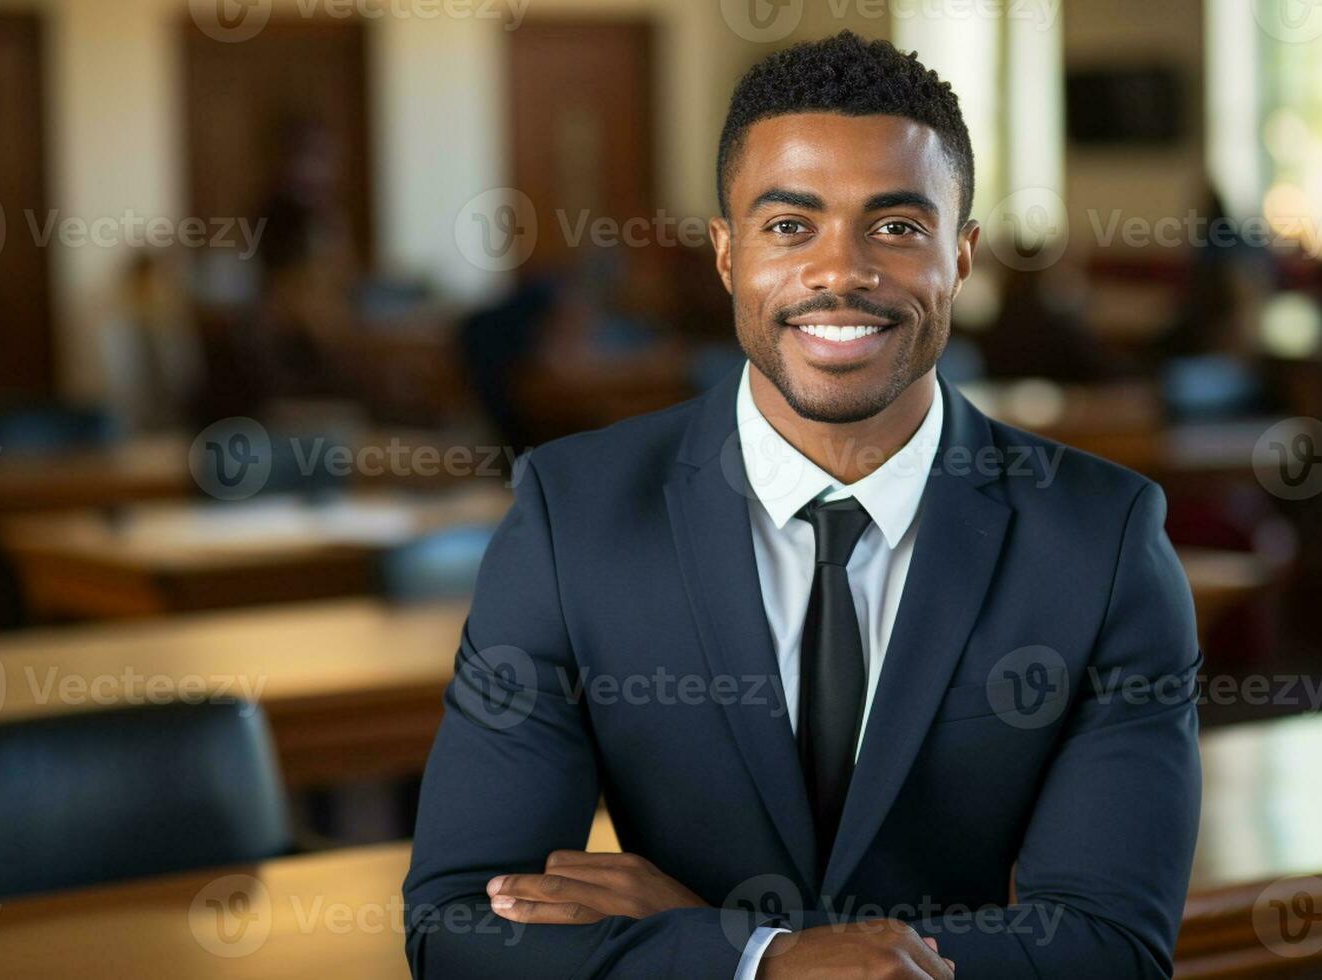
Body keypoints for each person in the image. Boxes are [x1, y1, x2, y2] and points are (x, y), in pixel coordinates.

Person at [404, 32, 1201, 979]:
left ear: (963, 256)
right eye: (790, 226)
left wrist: (735, 949)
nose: (841, 272)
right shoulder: (572, 517)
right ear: (726, 253)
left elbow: (1111, 949)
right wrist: (770, 964)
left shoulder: (1101, 539)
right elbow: (461, 928)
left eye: (897, 227)